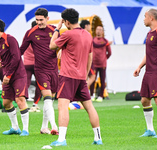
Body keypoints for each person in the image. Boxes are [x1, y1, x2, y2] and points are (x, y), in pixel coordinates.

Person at [49, 8, 103, 146]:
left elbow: (51, 46)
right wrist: (85, 73)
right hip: (80, 77)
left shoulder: (68, 34)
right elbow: (90, 56)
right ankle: (98, 138)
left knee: (62, 106)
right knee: (89, 107)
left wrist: (56, 29)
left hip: (68, 76)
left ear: (66, 21)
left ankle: (61, 140)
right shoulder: (87, 35)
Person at [20, 8, 59, 135]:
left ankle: (44, 127)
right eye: (37, 20)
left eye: (41, 20)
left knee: (50, 100)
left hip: (54, 70)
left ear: (47, 19)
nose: (39, 22)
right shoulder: (30, 33)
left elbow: (64, 45)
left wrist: (62, 52)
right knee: (47, 98)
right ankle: (54, 127)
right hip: (40, 70)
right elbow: (20, 51)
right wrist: (7, 62)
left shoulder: (54, 31)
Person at [0, 18, 29, 136]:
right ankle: (15, 128)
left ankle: (25, 129)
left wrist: (9, 75)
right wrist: (2, 63)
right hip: (7, 75)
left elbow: (16, 58)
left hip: (18, 75)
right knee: (6, 103)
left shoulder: (10, 39)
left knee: (20, 100)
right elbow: (9, 57)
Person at [133, 8, 157, 138]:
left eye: (145, 16)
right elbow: (149, 53)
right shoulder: (149, 33)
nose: (143, 19)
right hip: (148, 72)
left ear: (151, 18)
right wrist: (140, 66)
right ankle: (150, 130)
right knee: (145, 100)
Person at [23, 21, 41, 112]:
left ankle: (23, 103)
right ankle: (35, 104)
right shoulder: (40, 36)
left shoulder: (27, 34)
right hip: (37, 63)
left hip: (27, 63)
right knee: (39, 83)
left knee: (26, 82)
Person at [90, 25, 111, 102]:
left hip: (102, 65)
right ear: (95, 31)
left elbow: (109, 53)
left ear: (102, 32)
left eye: (100, 30)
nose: (98, 31)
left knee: (102, 80)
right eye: (97, 29)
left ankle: (101, 96)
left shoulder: (105, 41)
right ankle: (92, 95)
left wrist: (104, 59)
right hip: (94, 64)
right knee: (92, 79)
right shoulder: (92, 41)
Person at [80, 20, 96, 94]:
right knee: (92, 77)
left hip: (81, 58)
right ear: (86, 26)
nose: (90, 27)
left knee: (85, 77)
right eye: (89, 25)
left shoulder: (79, 33)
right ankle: (82, 89)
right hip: (86, 58)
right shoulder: (87, 34)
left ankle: (82, 90)